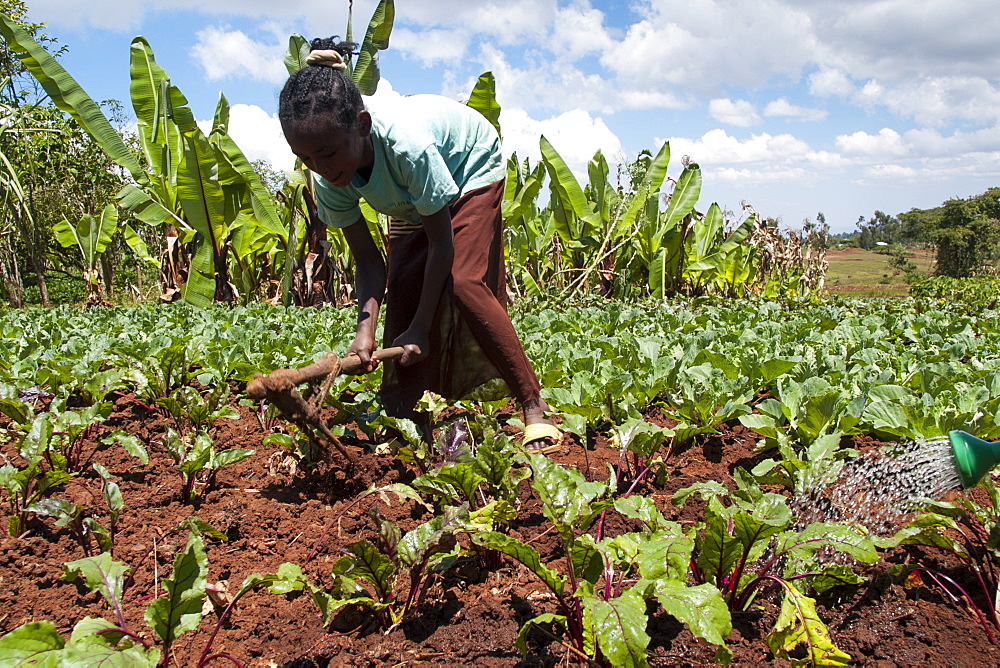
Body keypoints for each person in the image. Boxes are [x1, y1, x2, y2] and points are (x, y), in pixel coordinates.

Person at [278, 37, 561, 452]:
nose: (320, 168)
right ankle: (408, 416)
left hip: (468, 165)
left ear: (362, 125)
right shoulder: (328, 179)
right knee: (406, 284)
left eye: (327, 153)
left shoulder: (407, 148)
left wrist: (421, 327)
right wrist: (365, 332)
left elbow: (441, 246)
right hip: (414, 194)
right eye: (305, 158)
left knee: (464, 282)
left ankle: (533, 406)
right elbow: (372, 266)